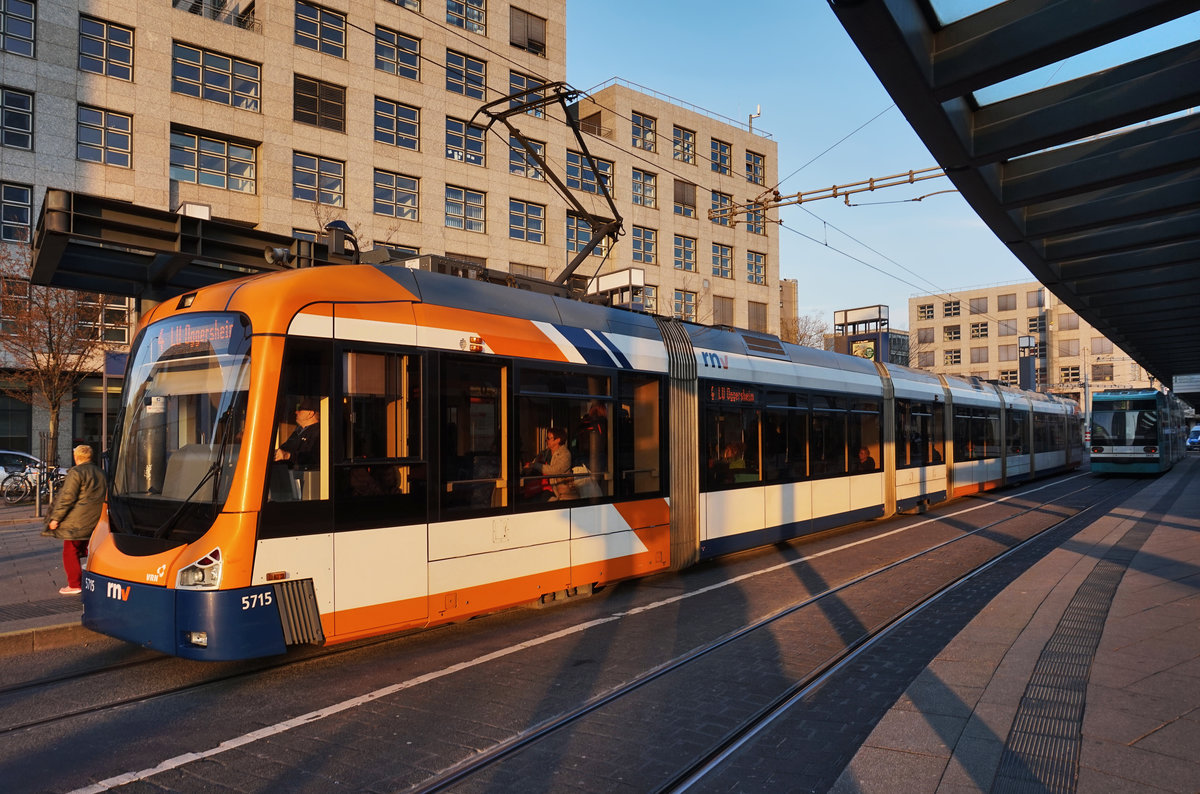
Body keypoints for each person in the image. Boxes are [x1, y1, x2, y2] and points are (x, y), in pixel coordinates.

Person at [42, 445, 107, 596]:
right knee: (87, 549)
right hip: (96, 518)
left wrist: (56, 518)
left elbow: (67, 497)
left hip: (78, 520)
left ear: (76, 457)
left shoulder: (76, 472)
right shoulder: (101, 472)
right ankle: (97, 577)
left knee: (70, 551)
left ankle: (74, 584)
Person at [526, 427, 576, 501]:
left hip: (561, 493)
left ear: (558, 440)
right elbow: (534, 463)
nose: (546, 440)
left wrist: (535, 465)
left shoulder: (565, 454)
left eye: (548, 438)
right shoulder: (545, 453)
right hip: (546, 488)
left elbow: (554, 470)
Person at [275, 397, 320, 467]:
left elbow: (313, 457)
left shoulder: (319, 432)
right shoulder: (298, 431)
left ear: (310, 413)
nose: (296, 412)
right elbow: (285, 448)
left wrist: (288, 456)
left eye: (300, 409)